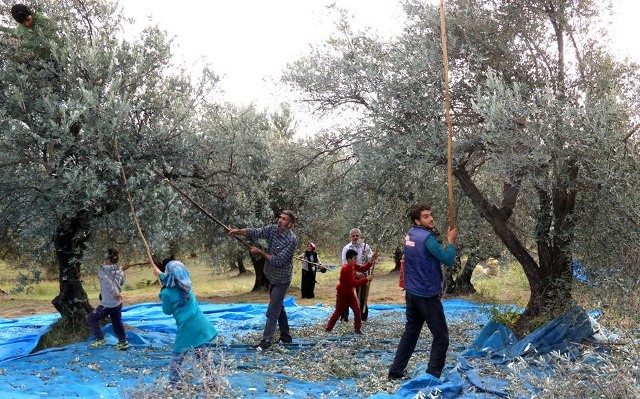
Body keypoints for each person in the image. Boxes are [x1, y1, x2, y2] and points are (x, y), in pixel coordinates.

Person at [388, 204, 458, 381]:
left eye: (431, 215)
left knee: (411, 333)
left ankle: (395, 372)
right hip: (426, 295)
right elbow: (448, 259)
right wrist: (451, 241)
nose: (431, 218)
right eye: (426, 216)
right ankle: (432, 376)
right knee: (441, 336)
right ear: (417, 220)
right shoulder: (427, 238)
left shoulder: (410, 234)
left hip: (412, 292)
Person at [228, 209, 298, 350]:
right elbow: (254, 232)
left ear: (290, 224)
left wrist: (260, 252)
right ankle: (286, 337)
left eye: (284, 219)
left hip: (282, 279)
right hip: (271, 275)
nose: (280, 220)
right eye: (280, 217)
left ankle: (265, 343)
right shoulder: (272, 230)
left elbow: (278, 261)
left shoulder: (291, 240)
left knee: (273, 311)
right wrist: (237, 231)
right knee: (279, 306)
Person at [152, 259, 218, 384]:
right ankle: (212, 379)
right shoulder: (187, 287)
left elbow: (167, 311)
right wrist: (160, 274)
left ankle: (173, 383)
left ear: (170, 275)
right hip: (199, 324)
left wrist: (162, 296)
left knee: (177, 355)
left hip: (186, 328)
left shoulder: (166, 293)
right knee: (201, 353)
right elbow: (173, 281)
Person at [325, 249, 378, 334]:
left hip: (350, 294)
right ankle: (328, 329)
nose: (356, 260)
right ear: (349, 259)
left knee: (357, 311)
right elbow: (353, 283)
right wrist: (366, 279)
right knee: (338, 313)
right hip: (342, 295)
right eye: (354, 258)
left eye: (356, 258)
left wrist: (371, 260)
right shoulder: (345, 269)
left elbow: (363, 268)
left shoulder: (353, 265)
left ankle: (357, 329)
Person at [86, 248, 130, 350]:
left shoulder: (103, 270)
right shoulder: (119, 270)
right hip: (118, 303)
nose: (103, 261)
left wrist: (114, 293)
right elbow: (121, 282)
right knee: (117, 322)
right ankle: (123, 342)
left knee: (91, 318)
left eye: (104, 259)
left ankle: (100, 339)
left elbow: (107, 283)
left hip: (108, 303)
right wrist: (122, 271)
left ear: (108, 260)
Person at [340, 228, 374, 321]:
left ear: (360, 236)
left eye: (357, 235)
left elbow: (370, 258)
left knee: (363, 297)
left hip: (362, 276)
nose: (355, 237)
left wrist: (372, 258)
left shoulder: (366, 247)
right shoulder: (347, 248)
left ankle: (363, 318)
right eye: (353, 236)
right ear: (350, 237)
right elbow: (344, 264)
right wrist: (355, 273)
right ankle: (344, 319)